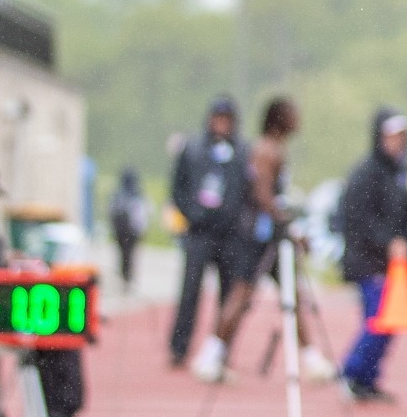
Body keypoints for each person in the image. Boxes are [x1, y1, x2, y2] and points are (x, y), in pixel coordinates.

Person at [188, 97, 334, 383]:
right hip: (259, 238)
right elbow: (262, 194)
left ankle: (312, 358)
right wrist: (286, 225)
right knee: (241, 296)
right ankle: (209, 356)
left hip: (269, 236)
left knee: (292, 295)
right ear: (280, 118)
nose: (298, 119)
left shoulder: (273, 149)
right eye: (294, 113)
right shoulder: (266, 150)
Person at [0, 159, 98, 417]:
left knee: (58, 321)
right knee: (57, 327)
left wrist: (12, 263)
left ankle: (57, 414)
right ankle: (58, 416)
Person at [167, 95, 252, 368]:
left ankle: (221, 349)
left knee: (229, 295)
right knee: (190, 291)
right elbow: (178, 188)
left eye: (227, 120)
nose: (222, 124)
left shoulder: (242, 152)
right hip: (199, 233)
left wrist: (236, 218)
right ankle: (179, 348)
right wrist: (193, 214)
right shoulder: (192, 148)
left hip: (230, 235)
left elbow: (250, 191)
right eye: (218, 118)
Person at [338, 109, 407, 403]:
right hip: (368, 260)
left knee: (389, 320)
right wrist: (387, 243)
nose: (397, 143)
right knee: (378, 320)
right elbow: (359, 219)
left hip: (391, 263)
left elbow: (402, 212)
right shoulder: (366, 173)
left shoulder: (398, 173)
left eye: (401, 137)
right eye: (391, 136)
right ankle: (351, 372)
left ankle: (367, 379)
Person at [107, 166, 147, 291]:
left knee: (125, 254)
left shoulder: (120, 194)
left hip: (123, 230)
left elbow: (112, 211)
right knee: (128, 254)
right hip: (129, 231)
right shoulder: (134, 194)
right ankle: (126, 277)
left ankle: (126, 277)